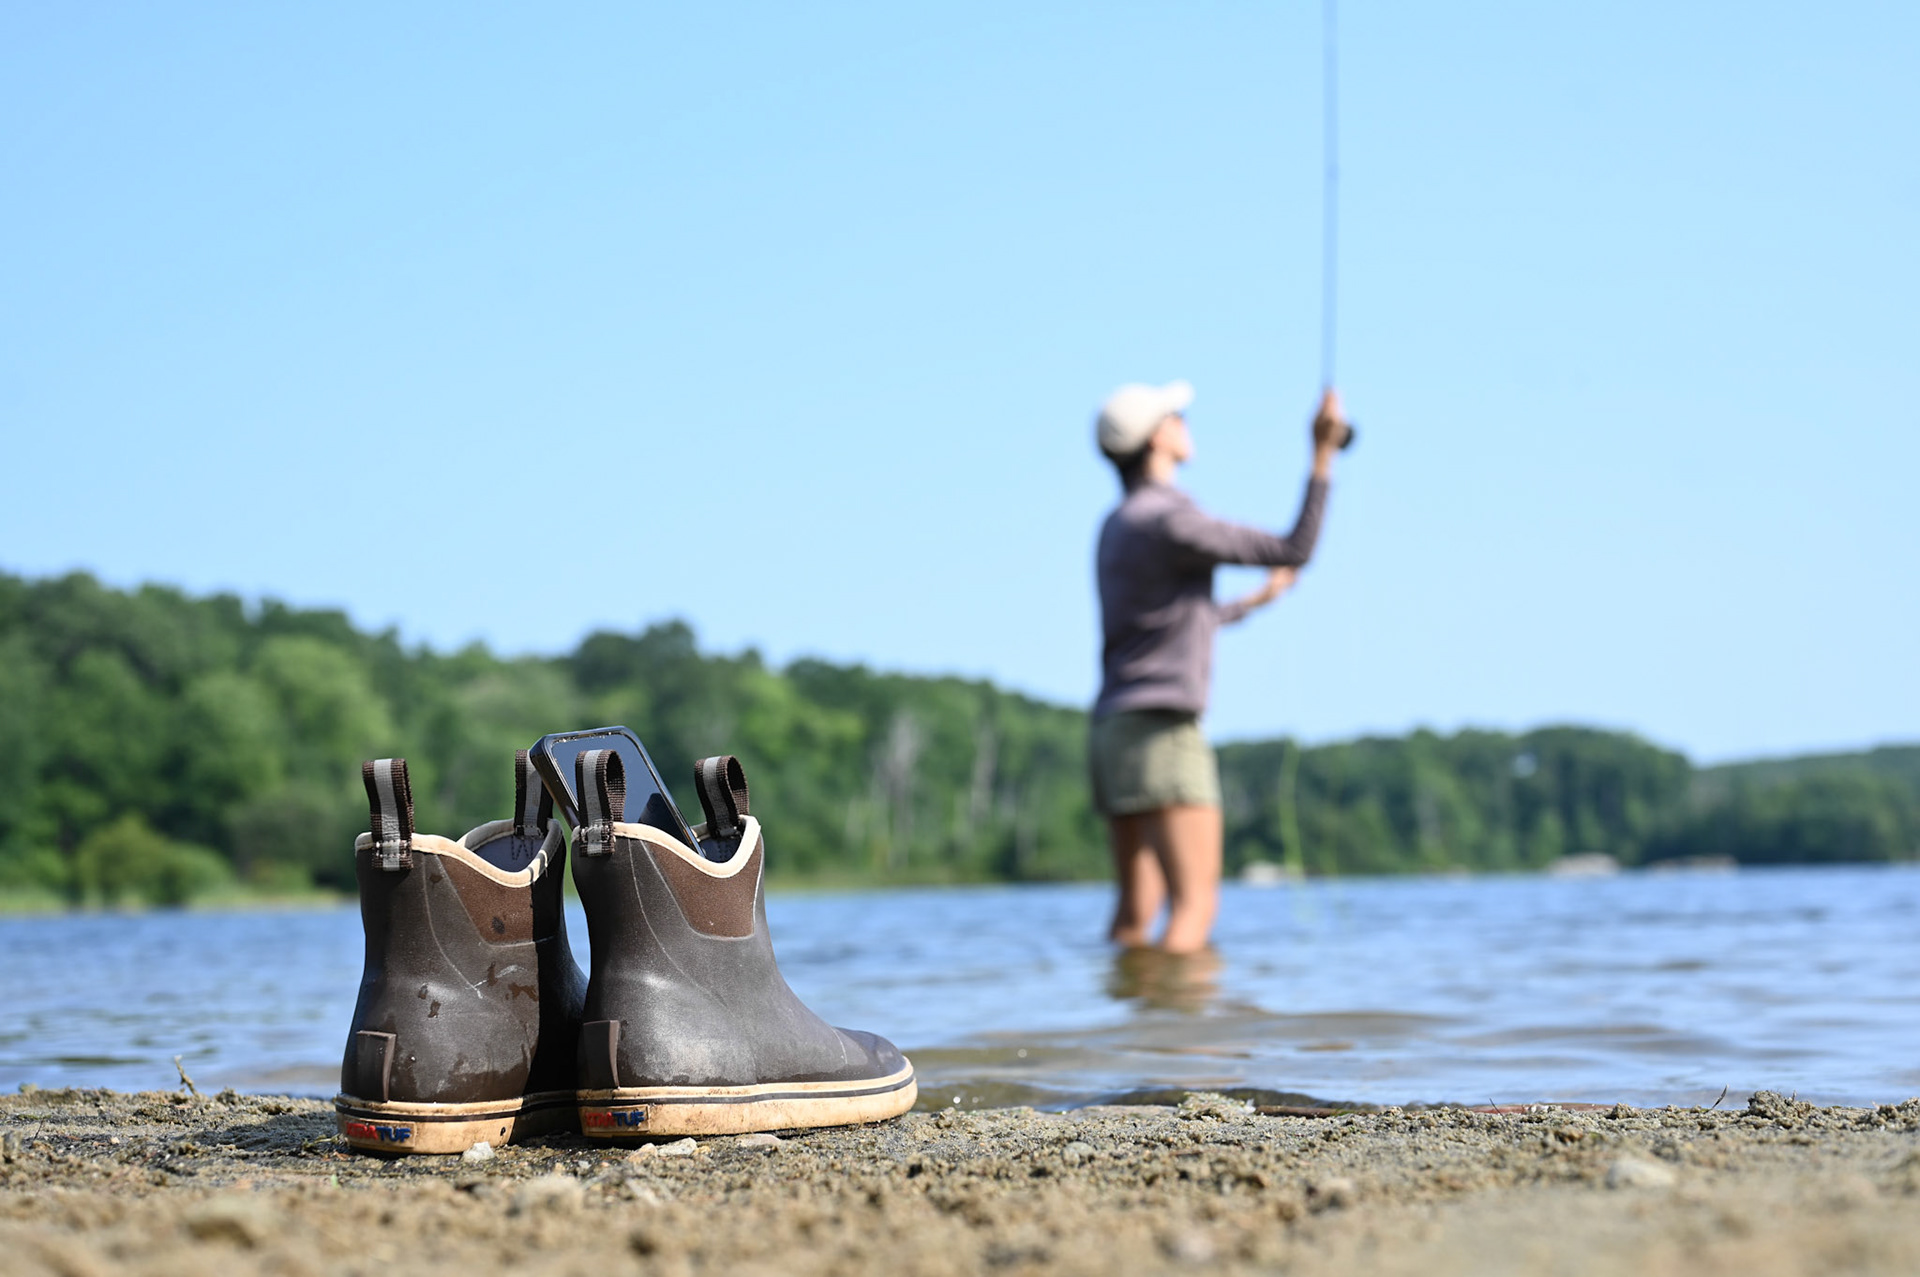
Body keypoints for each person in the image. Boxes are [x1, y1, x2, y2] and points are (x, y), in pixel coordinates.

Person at [1089, 380, 1347, 954]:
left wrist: (1252, 603)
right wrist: (1322, 454)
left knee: (1135, 912)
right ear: (1157, 438)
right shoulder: (1171, 518)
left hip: (1112, 729)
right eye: (1176, 416)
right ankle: (1182, 1015)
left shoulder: (1118, 524)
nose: (1184, 423)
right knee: (1195, 905)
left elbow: (1168, 624)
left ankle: (1126, 1009)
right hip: (1164, 728)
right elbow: (1295, 547)